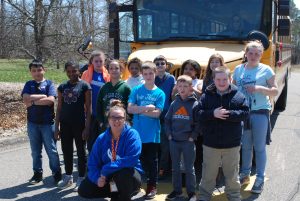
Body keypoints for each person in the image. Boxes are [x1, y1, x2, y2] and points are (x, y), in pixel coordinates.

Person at [195, 66, 249, 201]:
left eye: (225, 79)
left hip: (232, 144)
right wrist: (213, 113)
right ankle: (204, 196)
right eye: (218, 79)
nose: (222, 82)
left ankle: (234, 196)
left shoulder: (238, 95)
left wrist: (228, 114)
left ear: (230, 79)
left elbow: (245, 113)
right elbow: (198, 113)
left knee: (232, 175)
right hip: (210, 144)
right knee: (208, 174)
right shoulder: (206, 96)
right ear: (213, 79)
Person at [233, 40, 278, 194]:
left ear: (261, 54)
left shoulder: (266, 70)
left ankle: (259, 178)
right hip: (243, 113)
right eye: (250, 53)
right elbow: (233, 89)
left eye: (257, 53)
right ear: (245, 54)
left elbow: (275, 91)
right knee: (245, 146)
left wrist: (259, 88)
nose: (253, 56)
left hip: (260, 112)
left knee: (259, 147)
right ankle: (244, 174)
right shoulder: (238, 69)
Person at [78, 100, 143, 201]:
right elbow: (92, 164)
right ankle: (114, 193)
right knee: (84, 189)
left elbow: (131, 160)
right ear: (108, 119)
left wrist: (106, 169)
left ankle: (124, 196)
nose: (117, 120)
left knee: (123, 173)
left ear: (125, 119)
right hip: (108, 177)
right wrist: (97, 179)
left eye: (120, 118)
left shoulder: (132, 135)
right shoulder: (101, 138)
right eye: (113, 117)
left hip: (129, 176)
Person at [127, 61, 165, 199]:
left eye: (151, 73)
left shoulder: (160, 93)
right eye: (146, 74)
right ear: (142, 75)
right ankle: (134, 184)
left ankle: (152, 186)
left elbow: (157, 114)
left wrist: (139, 110)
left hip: (152, 134)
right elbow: (129, 109)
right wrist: (147, 108)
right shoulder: (136, 90)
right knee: (137, 160)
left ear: (155, 74)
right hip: (137, 133)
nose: (148, 76)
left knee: (152, 161)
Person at [21, 59, 61, 185]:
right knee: (35, 151)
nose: (37, 73)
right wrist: (41, 97)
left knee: (52, 151)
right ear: (30, 72)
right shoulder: (29, 84)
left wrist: (31, 102)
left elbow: (50, 100)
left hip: (47, 124)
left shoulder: (49, 84)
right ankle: (37, 174)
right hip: (32, 124)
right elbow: (25, 98)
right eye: (34, 71)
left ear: (44, 70)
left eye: (39, 70)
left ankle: (57, 174)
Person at [54, 61, 91, 190]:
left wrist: (87, 127)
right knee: (66, 151)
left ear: (79, 71)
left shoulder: (85, 86)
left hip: (80, 124)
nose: (71, 74)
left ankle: (81, 178)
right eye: (69, 71)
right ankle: (68, 176)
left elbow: (88, 108)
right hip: (65, 125)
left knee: (81, 152)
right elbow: (59, 108)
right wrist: (56, 127)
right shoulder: (62, 87)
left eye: (74, 71)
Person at [165, 75, 198, 201]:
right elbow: (167, 121)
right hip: (174, 141)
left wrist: (193, 136)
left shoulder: (195, 104)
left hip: (188, 142)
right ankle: (177, 191)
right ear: (177, 87)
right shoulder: (174, 103)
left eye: (185, 86)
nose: (182, 89)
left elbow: (198, 123)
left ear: (191, 88)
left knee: (189, 169)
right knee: (175, 168)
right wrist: (169, 135)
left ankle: (191, 192)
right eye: (180, 86)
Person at [202, 53, 225, 187]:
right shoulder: (206, 78)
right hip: (209, 115)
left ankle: (218, 175)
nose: (214, 64)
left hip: (220, 114)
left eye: (217, 62)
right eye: (212, 62)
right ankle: (209, 176)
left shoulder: (224, 78)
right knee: (209, 148)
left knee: (220, 147)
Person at [81, 50, 110, 151]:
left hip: (103, 113)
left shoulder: (107, 75)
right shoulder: (86, 74)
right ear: (92, 62)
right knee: (91, 141)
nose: (98, 63)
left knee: (104, 140)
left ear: (104, 62)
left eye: (100, 61)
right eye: (96, 61)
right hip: (90, 113)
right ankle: (92, 164)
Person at [153, 55, 176, 179]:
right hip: (153, 114)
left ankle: (163, 168)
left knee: (165, 144)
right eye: (157, 63)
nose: (160, 65)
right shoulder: (152, 79)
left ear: (166, 65)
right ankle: (153, 168)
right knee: (154, 143)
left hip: (167, 115)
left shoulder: (171, 78)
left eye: (162, 63)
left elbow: (173, 95)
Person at [96, 60, 131, 131]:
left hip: (121, 125)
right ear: (108, 70)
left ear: (121, 70)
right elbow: (98, 107)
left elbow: (130, 107)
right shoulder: (104, 87)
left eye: (116, 68)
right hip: (106, 126)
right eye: (111, 68)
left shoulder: (126, 87)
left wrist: (128, 122)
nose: (114, 70)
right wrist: (101, 122)